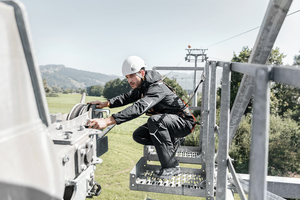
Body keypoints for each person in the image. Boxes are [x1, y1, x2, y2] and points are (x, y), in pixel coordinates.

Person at [87, 56, 196, 179]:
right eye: (127, 77)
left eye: (131, 76)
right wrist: (106, 103)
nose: (129, 80)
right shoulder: (142, 87)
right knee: (139, 135)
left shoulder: (156, 87)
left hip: (184, 123)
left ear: (142, 73)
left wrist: (107, 121)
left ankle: (171, 167)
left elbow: (139, 107)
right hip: (170, 123)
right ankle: (172, 140)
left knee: (154, 121)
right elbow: (126, 97)